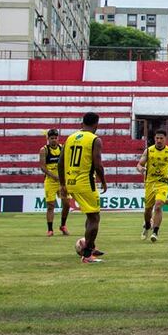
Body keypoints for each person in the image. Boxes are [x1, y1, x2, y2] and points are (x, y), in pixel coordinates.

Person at [59, 112, 108, 263]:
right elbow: (98, 164)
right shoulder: (94, 139)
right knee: (95, 218)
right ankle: (87, 255)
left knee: (90, 215)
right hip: (86, 183)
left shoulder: (70, 138)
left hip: (71, 182)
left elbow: (60, 162)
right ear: (96, 124)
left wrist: (62, 184)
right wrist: (104, 181)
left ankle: (91, 247)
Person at [137, 130, 168, 242]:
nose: (159, 140)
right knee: (148, 210)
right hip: (150, 183)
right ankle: (147, 225)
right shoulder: (149, 151)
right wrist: (140, 169)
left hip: (163, 183)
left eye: (161, 138)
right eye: (157, 138)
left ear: (165, 139)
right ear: (154, 138)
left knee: (159, 205)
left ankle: (155, 232)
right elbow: (139, 164)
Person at [39, 129, 70, 236]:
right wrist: (55, 176)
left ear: (58, 138)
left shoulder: (62, 148)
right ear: (48, 139)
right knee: (50, 206)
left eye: (55, 138)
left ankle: (63, 225)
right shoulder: (44, 150)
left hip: (62, 182)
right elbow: (43, 168)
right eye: (51, 138)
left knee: (66, 204)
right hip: (50, 182)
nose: (54, 140)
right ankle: (50, 229)